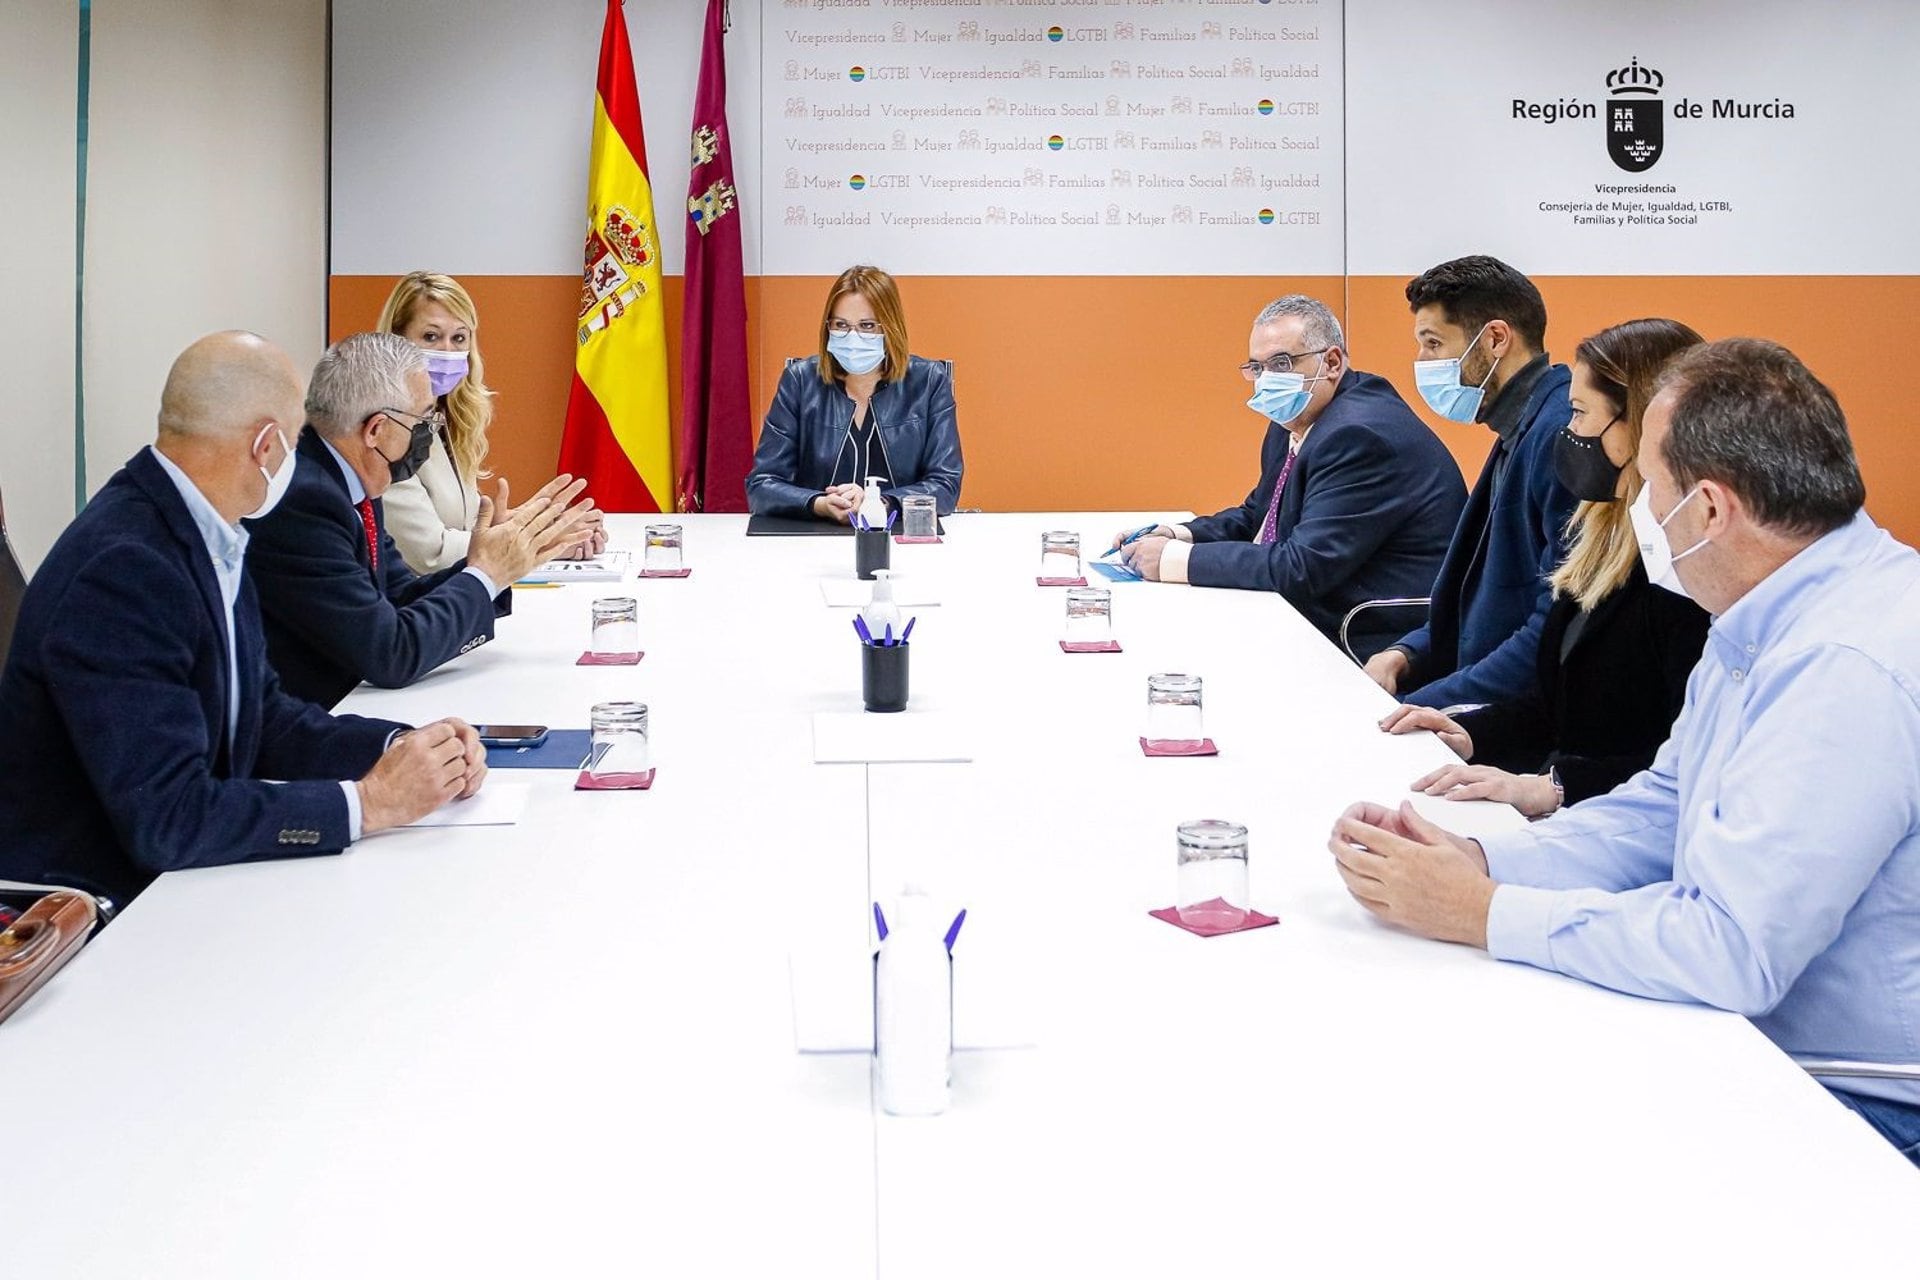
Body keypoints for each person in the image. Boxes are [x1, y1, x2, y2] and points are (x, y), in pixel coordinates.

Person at [1327, 338, 1920, 1166]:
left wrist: (1482, 911)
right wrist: (1480, 858)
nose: (1635, 501)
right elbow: (1661, 809)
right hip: (1762, 1046)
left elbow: (1731, 950)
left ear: (1709, 509)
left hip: (1852, 1102)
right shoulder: (1767, 611)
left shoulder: (1844, 666)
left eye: (1652, 483)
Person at [0, 332, 489, 911]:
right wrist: (368, 803)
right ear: (265, 444)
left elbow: (264, 720)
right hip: (95, 907)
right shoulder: (126, 567)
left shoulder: (205, 531)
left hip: (174, 877)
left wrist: (401, 746)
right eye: (295, 440)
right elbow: (170, 817)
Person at [1381, 318, 1712, 814]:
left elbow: (1684, 757)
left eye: (1580, 414)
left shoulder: (1687, 575)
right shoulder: (1600, 535)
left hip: (1627, 827)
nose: (1570, 432)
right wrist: (1467, 732)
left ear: (1642, 427)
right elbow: (1557, 703)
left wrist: (1554, 788)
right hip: (1571, 808)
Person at [246, 332, 597, 709]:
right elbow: (390, 653)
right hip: (303, 728)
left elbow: (396, 597)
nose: (427, 433)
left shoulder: (353, 477)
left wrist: (495, 564)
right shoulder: (305, 501)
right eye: (423, 420)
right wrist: (485, 576)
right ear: (376, 429)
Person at [1111, 294, 1465, 660]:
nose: (1265, 381)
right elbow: (1258, 516)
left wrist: (1173, 560)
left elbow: (1300, 568)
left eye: (1280, 363)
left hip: (1374, 634)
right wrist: (1175, 534)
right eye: (1256, 367)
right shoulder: (1296, 418)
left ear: (1331, 362)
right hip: (1319, 609)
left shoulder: (1359, 435)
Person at [1364, 255, 1579, 708]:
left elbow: (1556, 623)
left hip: (1518, 719)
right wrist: (1407, 652)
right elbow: (1482, 595)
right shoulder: (1519, 426)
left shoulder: (1558, 434)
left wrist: (1428, 701)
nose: (1423, 361)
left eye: (1434, 343)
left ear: (1496, 338)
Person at [376, 271, 605, 573]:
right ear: (397, 340)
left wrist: (543, 522)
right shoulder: (385, 427)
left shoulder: (441, 418)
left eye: (459, 338)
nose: (447, 350)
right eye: (431, 336)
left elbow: (469, 525)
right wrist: (541, 542)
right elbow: (431, 553)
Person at [746, 264, 963, 523]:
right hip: (812, 537)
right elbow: (761, 485)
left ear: (890, 328)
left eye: (867, 325)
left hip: (902, 535)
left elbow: (945, 485)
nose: (853, 336)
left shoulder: (928, 381)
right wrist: (820, 504)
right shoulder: (800, 381)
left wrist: (878, 503)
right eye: (841, 325)